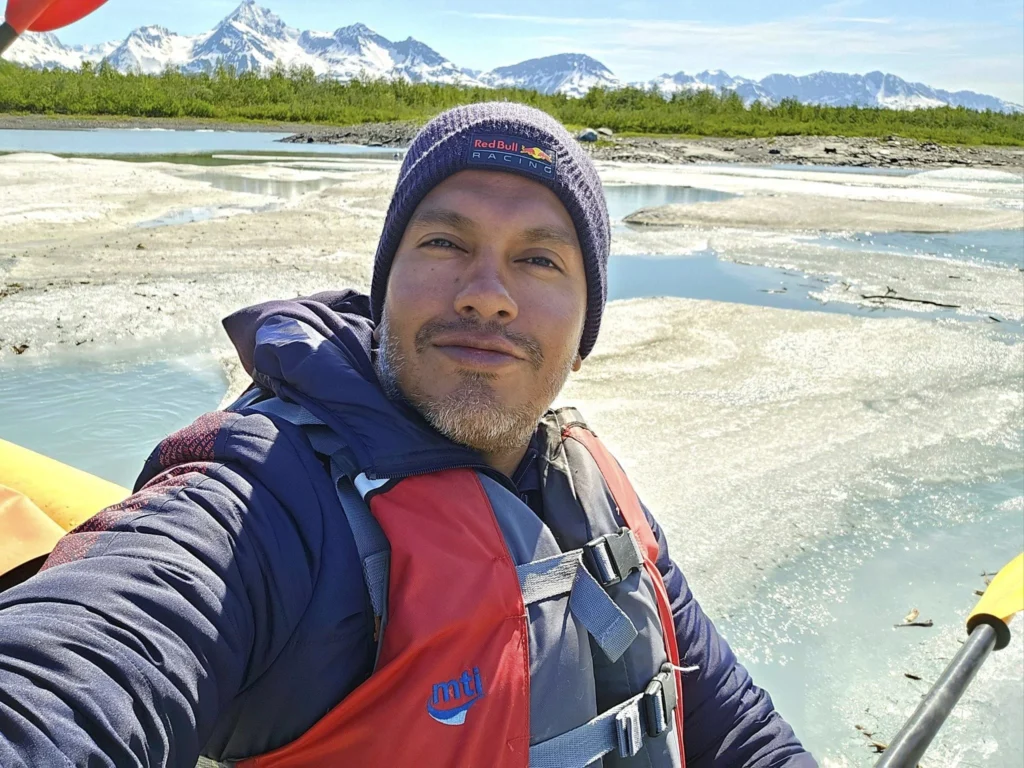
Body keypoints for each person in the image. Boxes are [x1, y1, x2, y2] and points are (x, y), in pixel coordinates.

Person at [0, 103, 816, 767]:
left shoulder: (590, 487)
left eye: (540, 260)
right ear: (383, 287)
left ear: (584, 333)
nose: (487, 294)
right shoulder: (269, 503)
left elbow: (734, 726)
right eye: (444, 243)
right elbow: (81, 672)